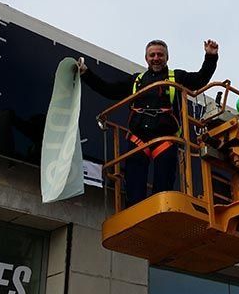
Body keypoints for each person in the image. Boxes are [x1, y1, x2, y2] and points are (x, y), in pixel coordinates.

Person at [76, 39, 219, 207]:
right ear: (146, 58)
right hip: (138, 140)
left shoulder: (177, 77)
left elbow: (199, 80)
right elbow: (109, 90)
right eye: (152, 55)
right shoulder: (136, 81)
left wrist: (210, 56)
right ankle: (134, 213)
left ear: (167, 57)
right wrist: (86, 74)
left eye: (160, 55)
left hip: (166, 140)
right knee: (134, 188)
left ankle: (162, 214)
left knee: (163, 186)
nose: (156, 58)